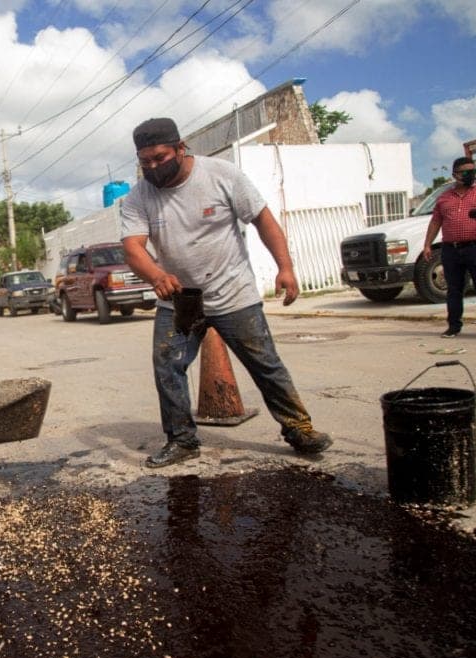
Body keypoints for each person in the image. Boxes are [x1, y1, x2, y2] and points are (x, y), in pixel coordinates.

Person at [121, 117, 332, 468]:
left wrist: (286, 267)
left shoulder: (222, 175)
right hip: (180, 299)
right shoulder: (139, 196)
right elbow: (133, 248)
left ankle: (299, 430)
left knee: (265, 364)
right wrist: (155, 274)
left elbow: (264, 220)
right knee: (167, 366)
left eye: (160, 157)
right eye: (146, 162)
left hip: (233, 291)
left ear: (180, 147)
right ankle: (182, 440)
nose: (154, 167)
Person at [421, 157, 476, 338]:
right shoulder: (444, 198)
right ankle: (454, 327)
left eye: (472, 171)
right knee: (454, 290)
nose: (470, 175)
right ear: (455, 175)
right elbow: (436, 221)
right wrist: (427, 244)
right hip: (451, 249)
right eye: (465, 172)